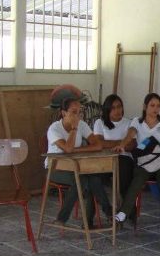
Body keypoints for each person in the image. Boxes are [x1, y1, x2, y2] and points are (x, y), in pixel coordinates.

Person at [115, 93, 160, 227]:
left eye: (158, 106)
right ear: (145, 106)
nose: (155, 109)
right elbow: (130, 134)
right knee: (137, 181)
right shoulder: (137, 122)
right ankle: (123, 213)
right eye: (152, 105)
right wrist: (122, 145)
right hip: (145, 162)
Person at [46, 97, 112, 228]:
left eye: (80, 112)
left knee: (93, 178)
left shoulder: (82, 124)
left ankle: (99, 217)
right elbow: (67, 148)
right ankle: (64, 218)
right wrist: (74, 129)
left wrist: (77, 150)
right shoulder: (54, 128)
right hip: (56, 168)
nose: (78, 115)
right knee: (82, 180)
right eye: (74, 112)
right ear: (64, 113)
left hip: (77, 166)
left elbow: (98, 145)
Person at [93, 94, 136, 199]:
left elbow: (131, 145)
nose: (117, 110)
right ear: (107, 109)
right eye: (113, 108)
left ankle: (126, 206)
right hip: (104, 158)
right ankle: (104, 205)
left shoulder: (129, 123)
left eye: (119, 106)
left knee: (124, 172)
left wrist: (108, 143)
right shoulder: (100, 123)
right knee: (92, 177)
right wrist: (122, 142)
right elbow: (99, 143)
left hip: (124, 158)